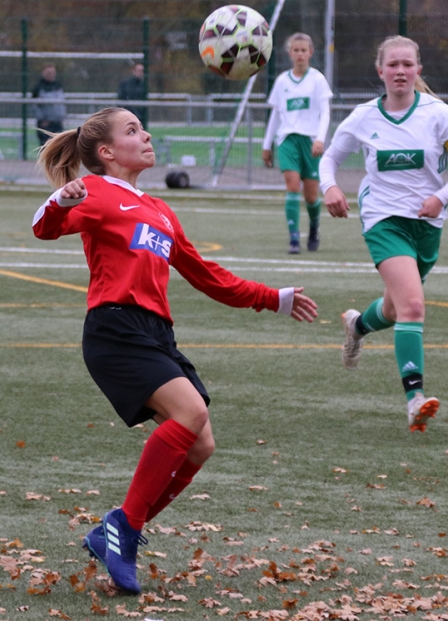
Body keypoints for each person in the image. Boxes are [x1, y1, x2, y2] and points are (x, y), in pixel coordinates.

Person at [31, 107, 318, 593]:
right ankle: (124, 529)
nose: (146, 135)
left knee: (201, 443)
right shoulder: (96, 191)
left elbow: (208, 276)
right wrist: (60, 199)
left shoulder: (160, 210)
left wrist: (273, 298)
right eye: (133, 130)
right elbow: (43, 227)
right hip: (115, 329)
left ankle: (114, 530)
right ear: (106, 152)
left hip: (156, 334)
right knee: (189, 413)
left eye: (142, 128)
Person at [318, 36, 448, 434]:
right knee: (413, 307)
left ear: (418, 69)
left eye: (408, 64)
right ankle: (415, 400)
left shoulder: (437, 114)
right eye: (393, 65)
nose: (401, 71)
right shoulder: (363, 117)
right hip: (383, 220)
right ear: (380, 71)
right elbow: (330, 158)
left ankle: (357, 326)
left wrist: (440, 198)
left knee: (394, 310)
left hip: (426, 224)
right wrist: (330, 187)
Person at [262, 33, 333, 254]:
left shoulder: (317, 79)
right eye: (296, 50)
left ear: (310, 53)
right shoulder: (282, 81)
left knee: (311, 196)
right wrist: (267, 145)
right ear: (290, 53)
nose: (300, 54)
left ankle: (314, 228)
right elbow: (276, 115)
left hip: (310, 141)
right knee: (292, 186)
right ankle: (294, 239)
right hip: (287, 140)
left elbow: (325, 112)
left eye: (304, 50)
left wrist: (320, 139)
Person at [32, 63, 66, 148]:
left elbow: (61, 105)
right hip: (45, 123)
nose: (50, 75)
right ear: (43, 73)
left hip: (57, 122)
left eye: (52, 72)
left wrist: (62, 118)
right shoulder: (38, 88)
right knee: (46, 147)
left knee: (58, 147)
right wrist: (42, 120)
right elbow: (35, 106)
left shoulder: (58, 86)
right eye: (48, 72)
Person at [117, 62, 148, 127]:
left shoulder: (144, 84)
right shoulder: (125, 83)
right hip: (128, 113)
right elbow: (121, 98)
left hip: (140, 114)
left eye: (142, 71)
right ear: (134, 71)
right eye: (138, 70)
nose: (140, 73)